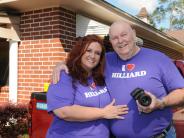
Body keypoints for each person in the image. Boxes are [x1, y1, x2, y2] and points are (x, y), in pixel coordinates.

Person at [51, 21, 184, 138]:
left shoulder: (158, 58)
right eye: (115, 38)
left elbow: (181, 91)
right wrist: (61, 64)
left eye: (124, 35)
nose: (120, 41)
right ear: (111, 42)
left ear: (134, 33)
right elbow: (84, 59)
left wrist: (161, 103)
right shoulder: (105, 60)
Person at [46, 34, 128, 138]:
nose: (92, 56)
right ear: (80, 51)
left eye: (97, 53)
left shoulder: (101, 77)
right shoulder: (65, 75)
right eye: (88, 50)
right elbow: (63, 111)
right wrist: (103, 112)